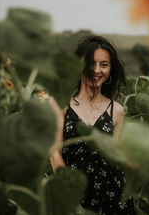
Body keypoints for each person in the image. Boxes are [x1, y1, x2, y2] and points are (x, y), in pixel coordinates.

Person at [49, 35, 136, 214]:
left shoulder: (116, 110)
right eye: (90, 63)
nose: (97, 70)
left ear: (111, 69)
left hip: (113, 198)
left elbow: (116, 155)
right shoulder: (60, 102)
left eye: (104, 64)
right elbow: (54, 154)